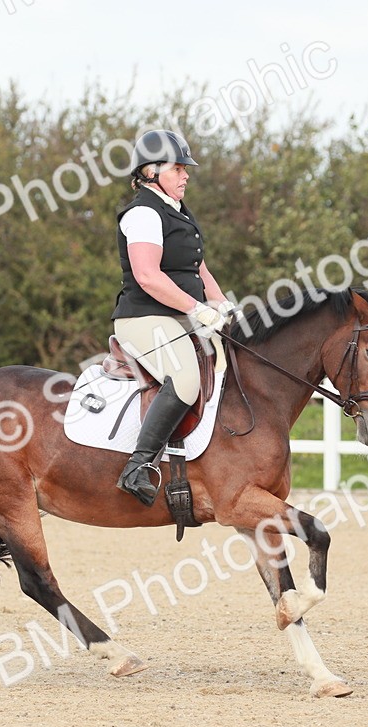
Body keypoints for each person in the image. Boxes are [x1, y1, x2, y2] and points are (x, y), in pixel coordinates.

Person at [112, 130, 238, 506]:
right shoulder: (143, 214)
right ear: (150, 171)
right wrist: (197, 308)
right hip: (144, 318)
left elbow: (198, 268)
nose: (186, 176)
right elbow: (148, 276)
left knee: (238, 358)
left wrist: (222, 305)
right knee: (185, 379)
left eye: (186, 169)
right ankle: (138, 466)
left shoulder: (178, 211)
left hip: (182, 317)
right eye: (178, 168)